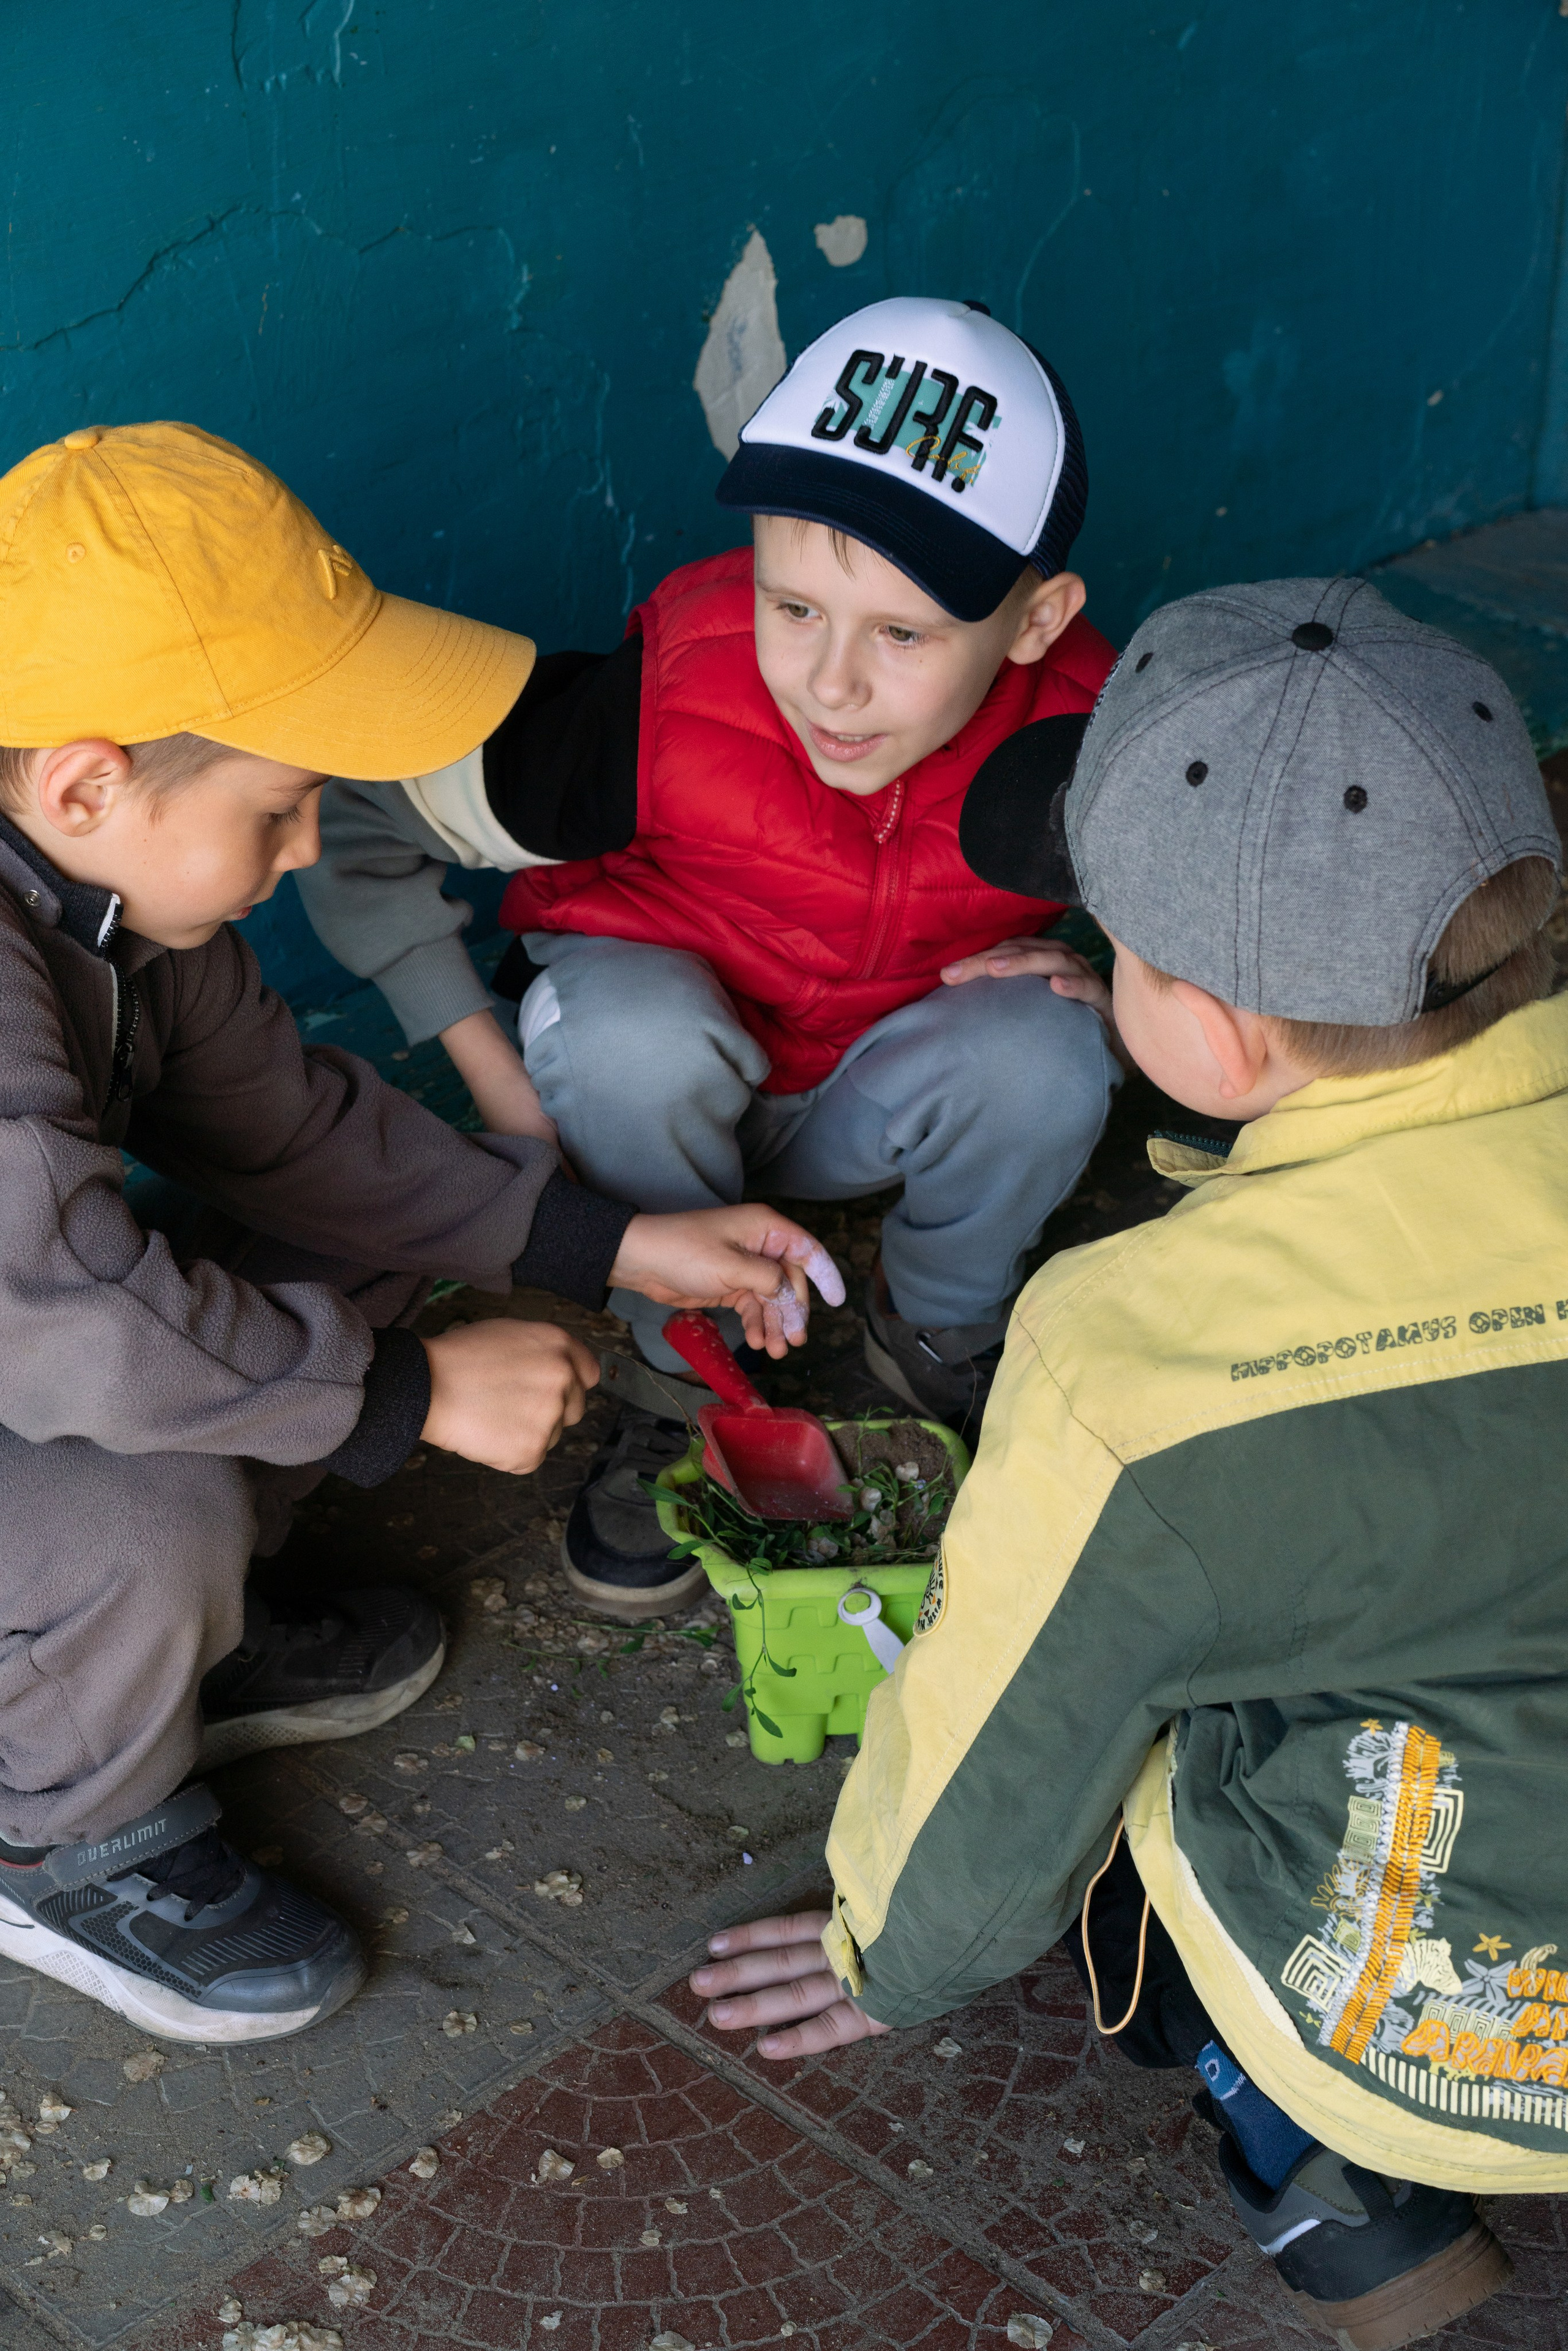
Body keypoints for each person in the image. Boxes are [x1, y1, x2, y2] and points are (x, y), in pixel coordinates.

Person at [688, 577, 1568, 2349]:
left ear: (1220, 1037)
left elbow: (999, 1748)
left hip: (1481, 2016)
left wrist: (885, 1949)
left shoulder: (1140, 1353)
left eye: (1125, 952)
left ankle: (1321, 2147)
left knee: (1130, 1685)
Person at [0, 420, 840, 2046]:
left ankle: (157, 1654)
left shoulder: (108, 896)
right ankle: (57, 1827)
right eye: (284, 806)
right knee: (145, 1501)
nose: (310, 847)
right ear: (91, 779)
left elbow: (300, 1136)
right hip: (37, 1319)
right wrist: (409, 1396)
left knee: (368, 1257)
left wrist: (613, 1239)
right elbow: (75, 1310)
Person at [296, 296, 1122, 1621]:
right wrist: (498, 1090)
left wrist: (1120, 981)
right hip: (643, 1112)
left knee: (1047, 1043)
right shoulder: (664, 696)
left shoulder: (1082, 740)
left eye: (900, 635)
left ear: (1034, 621)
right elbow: (354, 820)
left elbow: (1219, 904)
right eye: (792, 603)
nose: (830, 683)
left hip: (871, 1087)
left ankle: (935, 1339)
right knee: (631, 1028)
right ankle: (672, 1377)